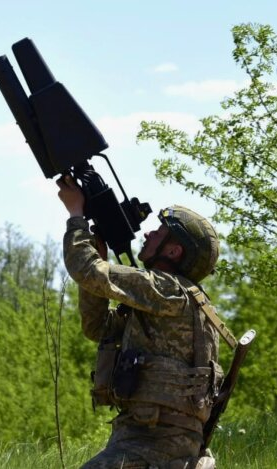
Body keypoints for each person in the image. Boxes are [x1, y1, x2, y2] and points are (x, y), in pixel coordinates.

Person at [56, 175, 223, 469]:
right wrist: (99, 261)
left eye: (159, 232)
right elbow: (98, 328)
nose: (148, 235)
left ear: (174, 251)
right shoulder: (178, 300)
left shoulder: (168, 290)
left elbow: (85, 269)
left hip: (153, 444)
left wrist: (76, 216)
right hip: (150, 438)